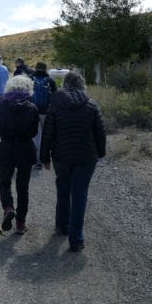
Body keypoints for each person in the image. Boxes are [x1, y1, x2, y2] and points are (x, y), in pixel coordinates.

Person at [40, 71, 106, 252]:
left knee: (63, 190)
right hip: (86, 157)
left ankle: (62, 226)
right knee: (79, 195)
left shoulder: (55, 105)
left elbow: (48, 133)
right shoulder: (92, 106)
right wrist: (101, 154)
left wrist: (44, 157)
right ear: (82, 84)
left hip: (62, 156)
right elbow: (100, 133)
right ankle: (76, 239)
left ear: (65, 84)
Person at [0, 75, 39, 235]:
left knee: (4, 182)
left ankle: (8, 207)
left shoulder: (1, 106)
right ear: (28, 89)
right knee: (23, 187)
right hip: (25, 149)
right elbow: (34, 132)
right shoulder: (32, 108)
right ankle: (20, 223)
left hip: (6, 148)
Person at [30, 62, 57, 170]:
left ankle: (37, 161)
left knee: (37, 136)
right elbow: (55, 96)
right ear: (46, 69)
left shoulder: (31, 79)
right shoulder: (50, 81)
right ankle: (45, 159)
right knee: (47, 136)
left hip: (33, 111)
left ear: (35, 68)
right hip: (47, 112)